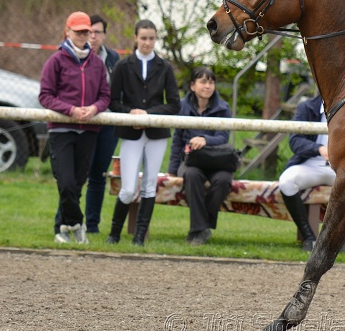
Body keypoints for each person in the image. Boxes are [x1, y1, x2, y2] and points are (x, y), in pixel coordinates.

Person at [106, 19, 180, 246]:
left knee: (149, 185)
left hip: (156, 133)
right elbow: (112, 101)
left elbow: (174, 104)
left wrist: (148, 115)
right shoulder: (123, 66)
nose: (147, 43)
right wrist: (131, 113)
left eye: (151, 38)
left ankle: (139, 236)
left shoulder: (165, 67)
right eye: (143, 38)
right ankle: (114, 233)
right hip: (131, 133)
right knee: (128, 188)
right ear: (135, 38)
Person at [39, 11, 110, 244]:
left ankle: (62, 228)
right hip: (61, 129)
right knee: (66, 182)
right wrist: (70, 110)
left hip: (88, 130)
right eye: (77, 31)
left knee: (77, 184)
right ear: (67, 31)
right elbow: (45, 96)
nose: (82, 35)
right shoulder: (56, 61)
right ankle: (77, 224)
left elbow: (105, 96)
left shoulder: (97, 64)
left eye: (85, 31)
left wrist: (94, 109)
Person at [279, 94, 345, 252]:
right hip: (310, 164)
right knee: (286, 181)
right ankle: (309, 238)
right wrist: (318, 149)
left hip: (341, 168)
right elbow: (295, 141)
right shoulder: (306, 107)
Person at [166, 67, 233, 246]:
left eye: (211, 82)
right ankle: (200, 229)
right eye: (203, 82)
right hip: (191, 161)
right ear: (192, 86)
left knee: (224, 179)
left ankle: (199, 228)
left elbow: (223, 137)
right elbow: (177, 140)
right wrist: (172, 170)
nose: (207, 86)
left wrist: (205, 139)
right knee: (192, 175)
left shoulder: (223, 108)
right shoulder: (182, 106)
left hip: (216, 160)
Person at [82, 14, 120, 234]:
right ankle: (68, 221)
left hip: (107, 123)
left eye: (97, 32)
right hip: (82, 122)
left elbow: (117, 91)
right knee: (77, 175)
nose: (93, 37)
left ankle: (92, 225)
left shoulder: (113, 58)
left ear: (104, 35)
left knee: (98, 175)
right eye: (89, 32)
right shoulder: (74, 56)